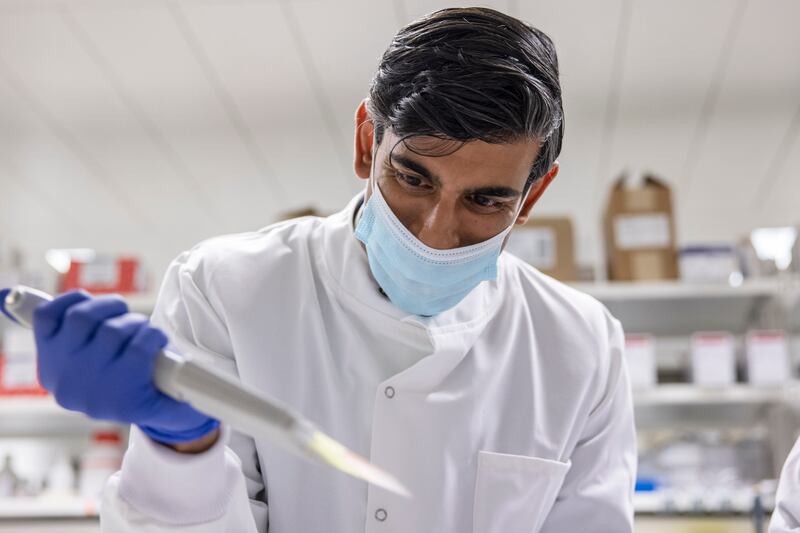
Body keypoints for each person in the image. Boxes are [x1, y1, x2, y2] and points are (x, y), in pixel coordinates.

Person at [0, 7, 636, 532]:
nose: (437, 232)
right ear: (367, 143)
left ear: (534, 194)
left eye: (487, 200)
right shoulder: (226, 287)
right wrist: (182, 449)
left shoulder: (579, 341)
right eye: (412, 177)